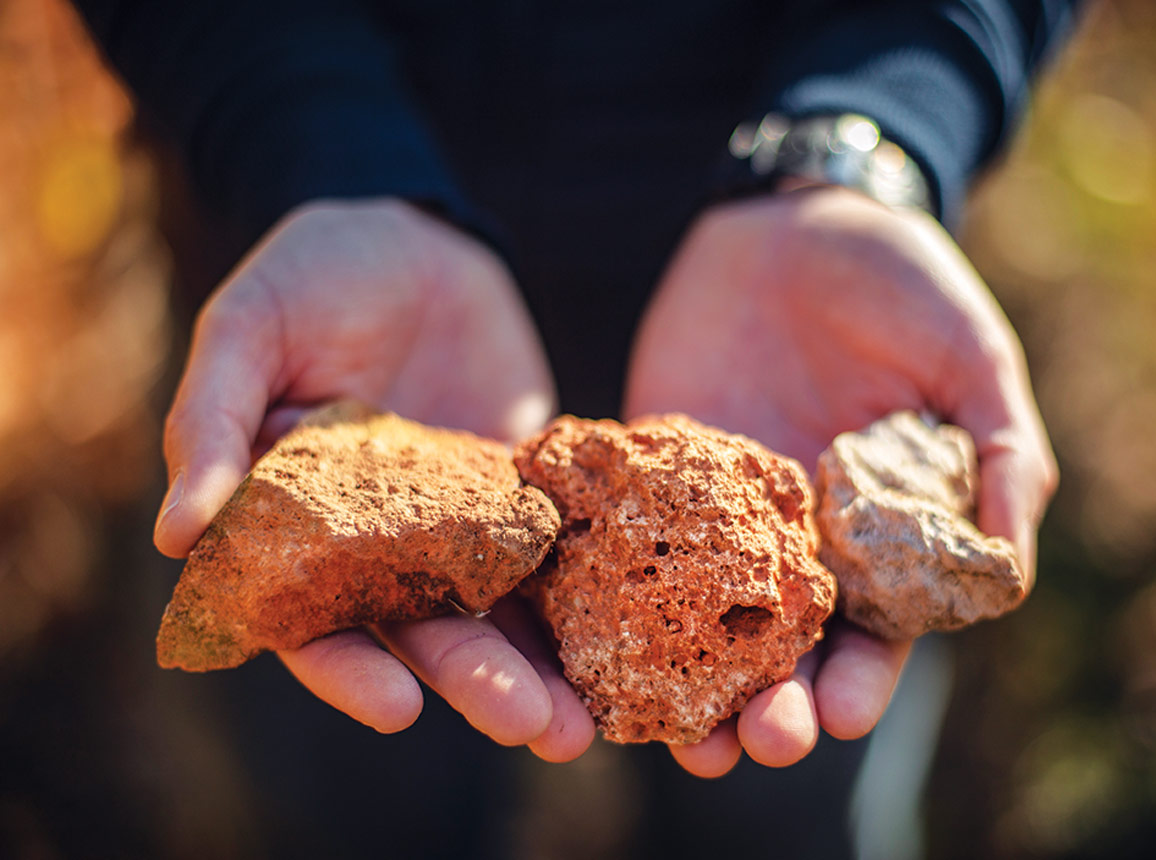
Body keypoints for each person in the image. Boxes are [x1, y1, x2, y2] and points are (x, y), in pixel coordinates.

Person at [71, 0, 1070, 854]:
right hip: (346, 291)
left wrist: (877, 124)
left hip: (788, 326)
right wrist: (309, 140)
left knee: (782, 806)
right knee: (361, 794)